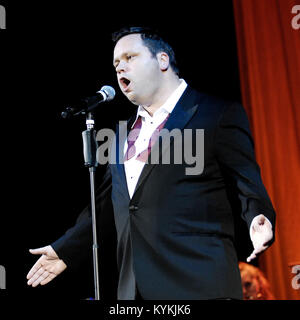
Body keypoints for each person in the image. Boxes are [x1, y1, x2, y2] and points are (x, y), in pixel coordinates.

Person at [26, 26, 276, 300]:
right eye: (116, 64)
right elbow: (108, 204)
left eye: (129, 57)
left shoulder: (215, 113)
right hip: (135, 290)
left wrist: (257, 216)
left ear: (163, 61)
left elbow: (246, 179)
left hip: (199, 286)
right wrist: (67, 248)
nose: (120, 68)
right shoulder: (122, 135)